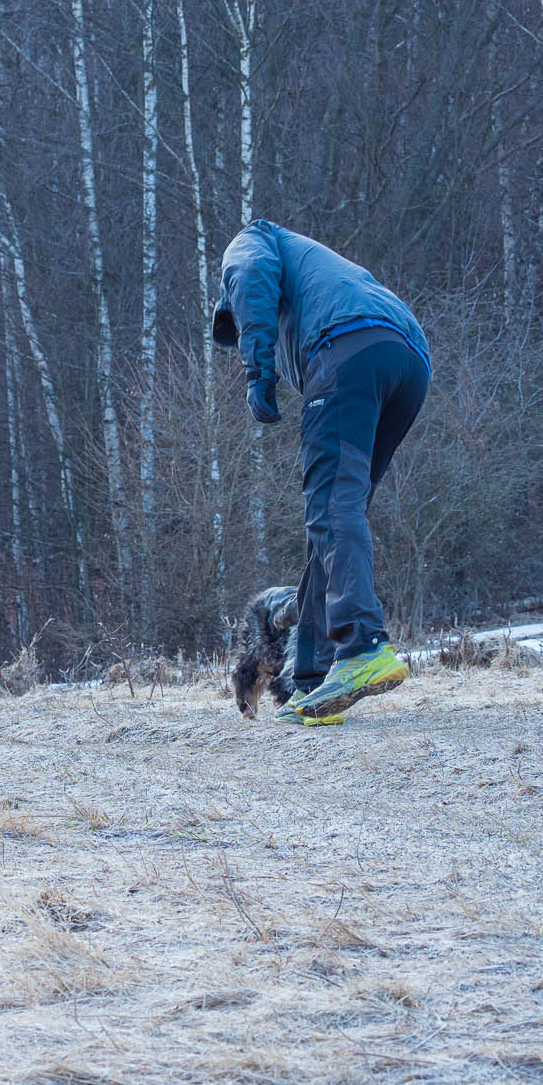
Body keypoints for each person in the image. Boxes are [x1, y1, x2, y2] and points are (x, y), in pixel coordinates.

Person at [212, 220, 430, 724]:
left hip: (349, 347)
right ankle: (311, 677)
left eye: (241, 323)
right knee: (336, 518)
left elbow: (249, 272)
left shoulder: (253, 243)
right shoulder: (318, 277)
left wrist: (258, 372)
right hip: (406, 358)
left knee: (331, 509)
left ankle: (363, 647)